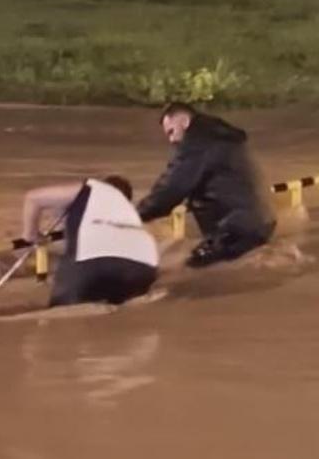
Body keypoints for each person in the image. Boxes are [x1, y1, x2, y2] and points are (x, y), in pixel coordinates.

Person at [137, 103, 276, 268]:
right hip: (261, 221)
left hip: (234, 227)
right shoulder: (220, 137)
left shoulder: (198, 144)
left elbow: (172, 188)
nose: (171, 140)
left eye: (171, 132)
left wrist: (134, 215)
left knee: (190, 271)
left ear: (184, 121)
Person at [22, 175, 159, 308]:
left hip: (93, 262)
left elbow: (33, 198)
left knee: (62, 315)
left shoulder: (93, 189)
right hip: (143, 268)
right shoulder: (128, 212)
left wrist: (30, 235)